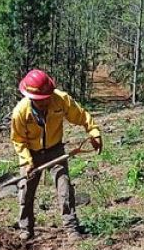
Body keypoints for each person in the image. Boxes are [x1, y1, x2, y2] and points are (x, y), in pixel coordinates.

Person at [10, 69, 102, 241]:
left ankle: (71, 227)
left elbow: (81, 115)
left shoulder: (60, 100)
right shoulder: (20, 112)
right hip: (30, 153)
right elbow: (18, 140)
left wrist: (94, 132)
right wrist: (27, 161)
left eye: (46, 97)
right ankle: (26, 228)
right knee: (26, 191)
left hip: (55, 150)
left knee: (64, 188)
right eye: (40, 100)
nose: (45, 102)